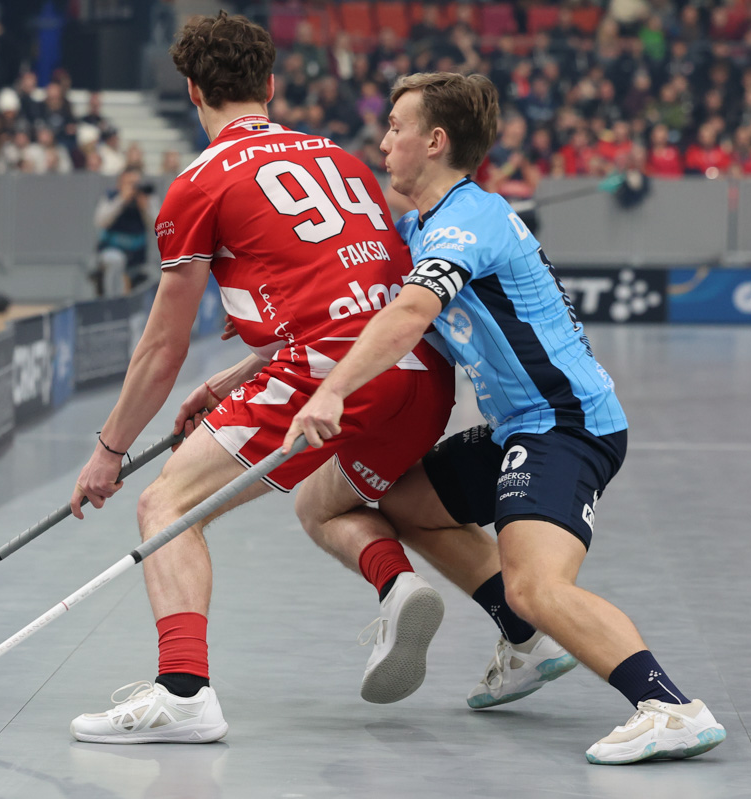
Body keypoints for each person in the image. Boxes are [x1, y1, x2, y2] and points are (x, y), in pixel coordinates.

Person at [283, 71, 726, 765]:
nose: (384, 142)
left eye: (396, 127)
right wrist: (244, 371)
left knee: (536, 583)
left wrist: (332, 392)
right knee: (404, 503)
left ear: (435, 141)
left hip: (566, 423)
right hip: (517, 424)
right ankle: (526, 641)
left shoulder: (469, 222)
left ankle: (670, 707)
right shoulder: (420, 226)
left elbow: (410, 313)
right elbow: (355, 310)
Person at [67, 13, 454, 744]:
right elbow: (354, 291)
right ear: (270, 85)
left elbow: (162, 347)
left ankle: (183, 693)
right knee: (326, 501)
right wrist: (243, 371)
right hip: (422, 373)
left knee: (164, 504)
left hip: (328, 374)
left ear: (192, 90)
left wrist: (109, 451)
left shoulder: (197, 184)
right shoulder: (343, 159)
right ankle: (475, 613)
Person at [93, 166, 155, 297]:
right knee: (116, 260)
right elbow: (100, 221)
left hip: (137, 256)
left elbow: (158, 226)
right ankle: (113, 302)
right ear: (120, 184)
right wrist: (121, 199)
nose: (134, 188)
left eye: (136, 183)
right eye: (130, 183)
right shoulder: (111, 196)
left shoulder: (144, 198)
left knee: (156, 272)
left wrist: (146, 208)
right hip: (111, 250)